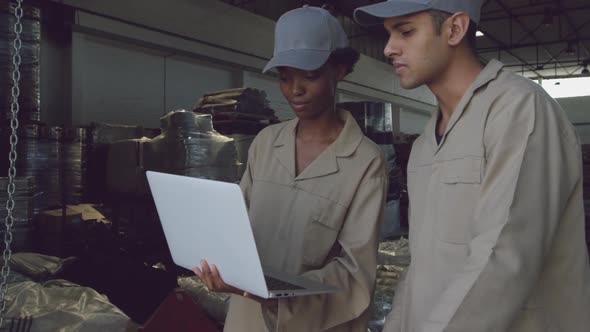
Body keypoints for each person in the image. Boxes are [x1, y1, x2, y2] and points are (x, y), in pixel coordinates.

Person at [353, 0, 590, 331]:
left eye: (405, 31)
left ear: (455, 29)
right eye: (389, 34)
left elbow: (503, 259)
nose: (389, 48)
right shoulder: (425, 144)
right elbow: (421, 267)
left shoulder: (519, 110)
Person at [194, 6, 389, 332]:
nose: (294, 89)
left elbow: (354, 275)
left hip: (314, 324)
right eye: (285, 77)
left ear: (339, 70)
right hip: (247, 320)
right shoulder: (266, 143)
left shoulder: (365, 162)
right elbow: (236, 228)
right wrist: (219, 261)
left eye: (309, 75)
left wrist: (274, 294)